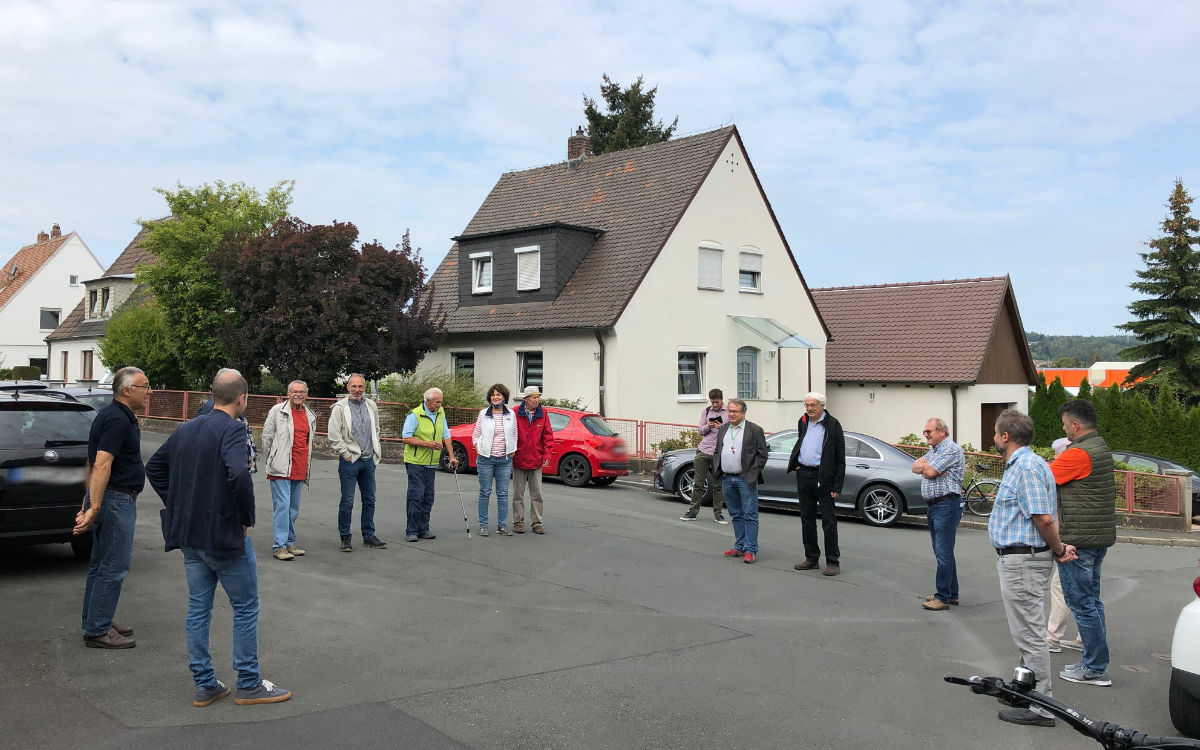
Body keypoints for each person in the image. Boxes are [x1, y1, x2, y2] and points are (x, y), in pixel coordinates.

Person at [146, 368, 291, 707]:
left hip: (189, 536)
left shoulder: (185, 429)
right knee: (245, 606)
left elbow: (154, 468)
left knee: (199, 608)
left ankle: (205, 684)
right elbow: (239, 473)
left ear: (212, 395)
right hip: (224, 536)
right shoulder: (233, 430)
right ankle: (249, 682)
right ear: (242, 398)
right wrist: (245, 518)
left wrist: (181, 504)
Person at [988, 409, 1076, 727]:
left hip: (1023, 559)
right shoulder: (1026, 463)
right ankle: (1025, 689)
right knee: (1026, 630)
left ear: (1006, 437)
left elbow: (1044, 518)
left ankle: (1042, 706)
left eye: (996, 432)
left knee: (1029, 633)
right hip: (1020, 557)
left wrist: (1059, 548)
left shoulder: (1025, 466)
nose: (993, 437)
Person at [75, 366, 150, 649]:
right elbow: (101, 462)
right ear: (127, 390)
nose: (149, 391)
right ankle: (97, 629)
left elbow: (93, 460)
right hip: (116, 499)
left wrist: (89, 502)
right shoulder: (117, 420)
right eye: (144, 386)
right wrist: (92, 506)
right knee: (113, 565)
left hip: (110, 497)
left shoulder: (111, 415)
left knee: (100, 563)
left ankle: (97, 618)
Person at [1052, 399, 1117, 687]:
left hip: (1078, 540)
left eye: (1065, 424)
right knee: (1092, 602)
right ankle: (1094, 661)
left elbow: (1043, 478)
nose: (1063, 428)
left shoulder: (1077, 454)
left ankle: (1095, 668)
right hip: (1097, 537)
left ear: (1075, 425)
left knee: (1081, 604)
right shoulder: (1100, 447)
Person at [786, 392, 846, 576]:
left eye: (813, 405)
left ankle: (832, 562)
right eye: (806, 405)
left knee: (828, 521)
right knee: (807, 518)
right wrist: (796, 464)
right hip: (804, 473)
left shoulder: (833, 425)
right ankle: (811, 558)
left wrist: (837, 486)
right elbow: (800, 442)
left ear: (822, 406)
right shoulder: (803, 421)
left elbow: (839, 458)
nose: (809, 409)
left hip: (824, 477)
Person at [328, 374, 386, 552]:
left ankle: (368, 535)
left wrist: (375, 451)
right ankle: (345, 536)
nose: (357, 390)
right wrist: (345, 454)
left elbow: (375, 428)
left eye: (360, 386)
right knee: (347, 501)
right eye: (354, 386)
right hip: (350, 461)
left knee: (370, 500)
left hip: (368, 460)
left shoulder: (371, 405)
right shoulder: (339, 408)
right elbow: (334, 435)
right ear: (348, 387)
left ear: (364, 388)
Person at [912, 418, 965, 611]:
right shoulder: (934, 451)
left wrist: (928, 468)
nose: (925, 434)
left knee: (943, 552)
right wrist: (925, 468)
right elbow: (914, 467)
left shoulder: (950, 449)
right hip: (935, 506)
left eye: (929, 431)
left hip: (946, 505)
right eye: (924, 431)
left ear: (942, 431)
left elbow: (931, 471)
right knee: (943, 551)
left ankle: (942, 597)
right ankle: (952, 593)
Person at [261, 381, 316, 562]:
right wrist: (272, 459)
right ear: (288, 393)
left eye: (301, 392)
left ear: (306, 394)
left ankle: (289, 542)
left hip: (299, 467)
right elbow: (267, 437)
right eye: (294, 392)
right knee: (282, 507)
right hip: (280, 467)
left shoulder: (309, 415)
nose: (298, 395)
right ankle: (280, 546)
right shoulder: (277, 411)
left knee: (293, 509)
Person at [712, 399, 769, 564]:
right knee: (736, 514)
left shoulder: (754, 430)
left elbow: (762, 455)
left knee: (750, 514)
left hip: (745, 479)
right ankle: (739, 546)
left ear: (743, 413)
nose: (731, 414)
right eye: (729, 411)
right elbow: (717, 451)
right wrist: (719, 469)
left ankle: (751, 549)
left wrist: (752, 472)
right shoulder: (723, 429)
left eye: (735, 411)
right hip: (727, 478)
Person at [401, 387, 458, 542]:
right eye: (436, 402)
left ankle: (423, 528)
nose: (439, 405)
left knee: (428, 497)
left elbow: (446, 435)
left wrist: (452, 456)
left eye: (440, 402)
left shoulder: (441, 413)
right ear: (427, 401)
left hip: (432, 463)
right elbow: (406, 437)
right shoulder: (415, 415)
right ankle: (411, 530)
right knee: (416, 496)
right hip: (416, 462)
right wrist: (426, 444)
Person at [1047, 437, 1083, 654]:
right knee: (1086, 590)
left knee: (1060, 587)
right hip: (1090, 536)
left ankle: (1052, 637)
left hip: (1074, 537)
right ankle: (1085, 637)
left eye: (1057, 453)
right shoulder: (1087, 471)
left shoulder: (1066, 472)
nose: (1054, 458)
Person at [472, 383, 517, 537]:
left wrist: (512, 451)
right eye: (493, 395)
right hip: (485, 459)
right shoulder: (483, 413)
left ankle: (502, 526)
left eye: (499, 395)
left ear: (504, 397)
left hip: (504, 460)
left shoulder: (511, 414)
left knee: (503, 493)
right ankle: (483, 525)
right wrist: (477, 447)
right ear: (490, 397)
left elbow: (514, 434)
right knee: (485, 492)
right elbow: (476, 434)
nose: (495, 397)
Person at [680, 388, 728, 524]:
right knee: (698, 483)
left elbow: (732, 432)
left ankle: (718, 514)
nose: (714, 405)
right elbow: (700, 431)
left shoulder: (728, 413)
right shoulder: (706, 411)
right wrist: (708, 425)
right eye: (712, 402)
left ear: (721, 400)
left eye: (716, 402)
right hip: (704, 450)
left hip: (719, 453)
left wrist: (722, 428)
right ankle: (692, 511)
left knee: (718, 484)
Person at [512, 385, 554, 535]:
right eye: (533, 397)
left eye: (538, 397)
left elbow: (548, 436)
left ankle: (537, 522)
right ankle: (518, 522)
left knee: (537, 494)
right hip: (519, 459)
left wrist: (547, 455)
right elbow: (510, 433)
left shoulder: (543, 413)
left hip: (536, 459)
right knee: (518, 493)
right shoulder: (516, 412)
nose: (537, 400)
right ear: (526, 399)